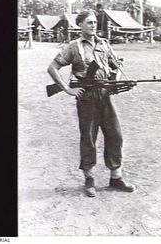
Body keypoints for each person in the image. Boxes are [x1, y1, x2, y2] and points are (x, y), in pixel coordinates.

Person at [47, 10, 135, 197]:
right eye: (89, 22)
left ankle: (116, 177)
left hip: (104, 95)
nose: (93, 25)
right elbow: (52, 68)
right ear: (80, 24)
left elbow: (116, 65)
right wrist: (67, 89)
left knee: (115, 135)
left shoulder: (104, 44)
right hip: (86, 98)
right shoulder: (74, 47)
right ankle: (89, 179)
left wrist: (114, 80)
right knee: (89, 138)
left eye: (95, 22)